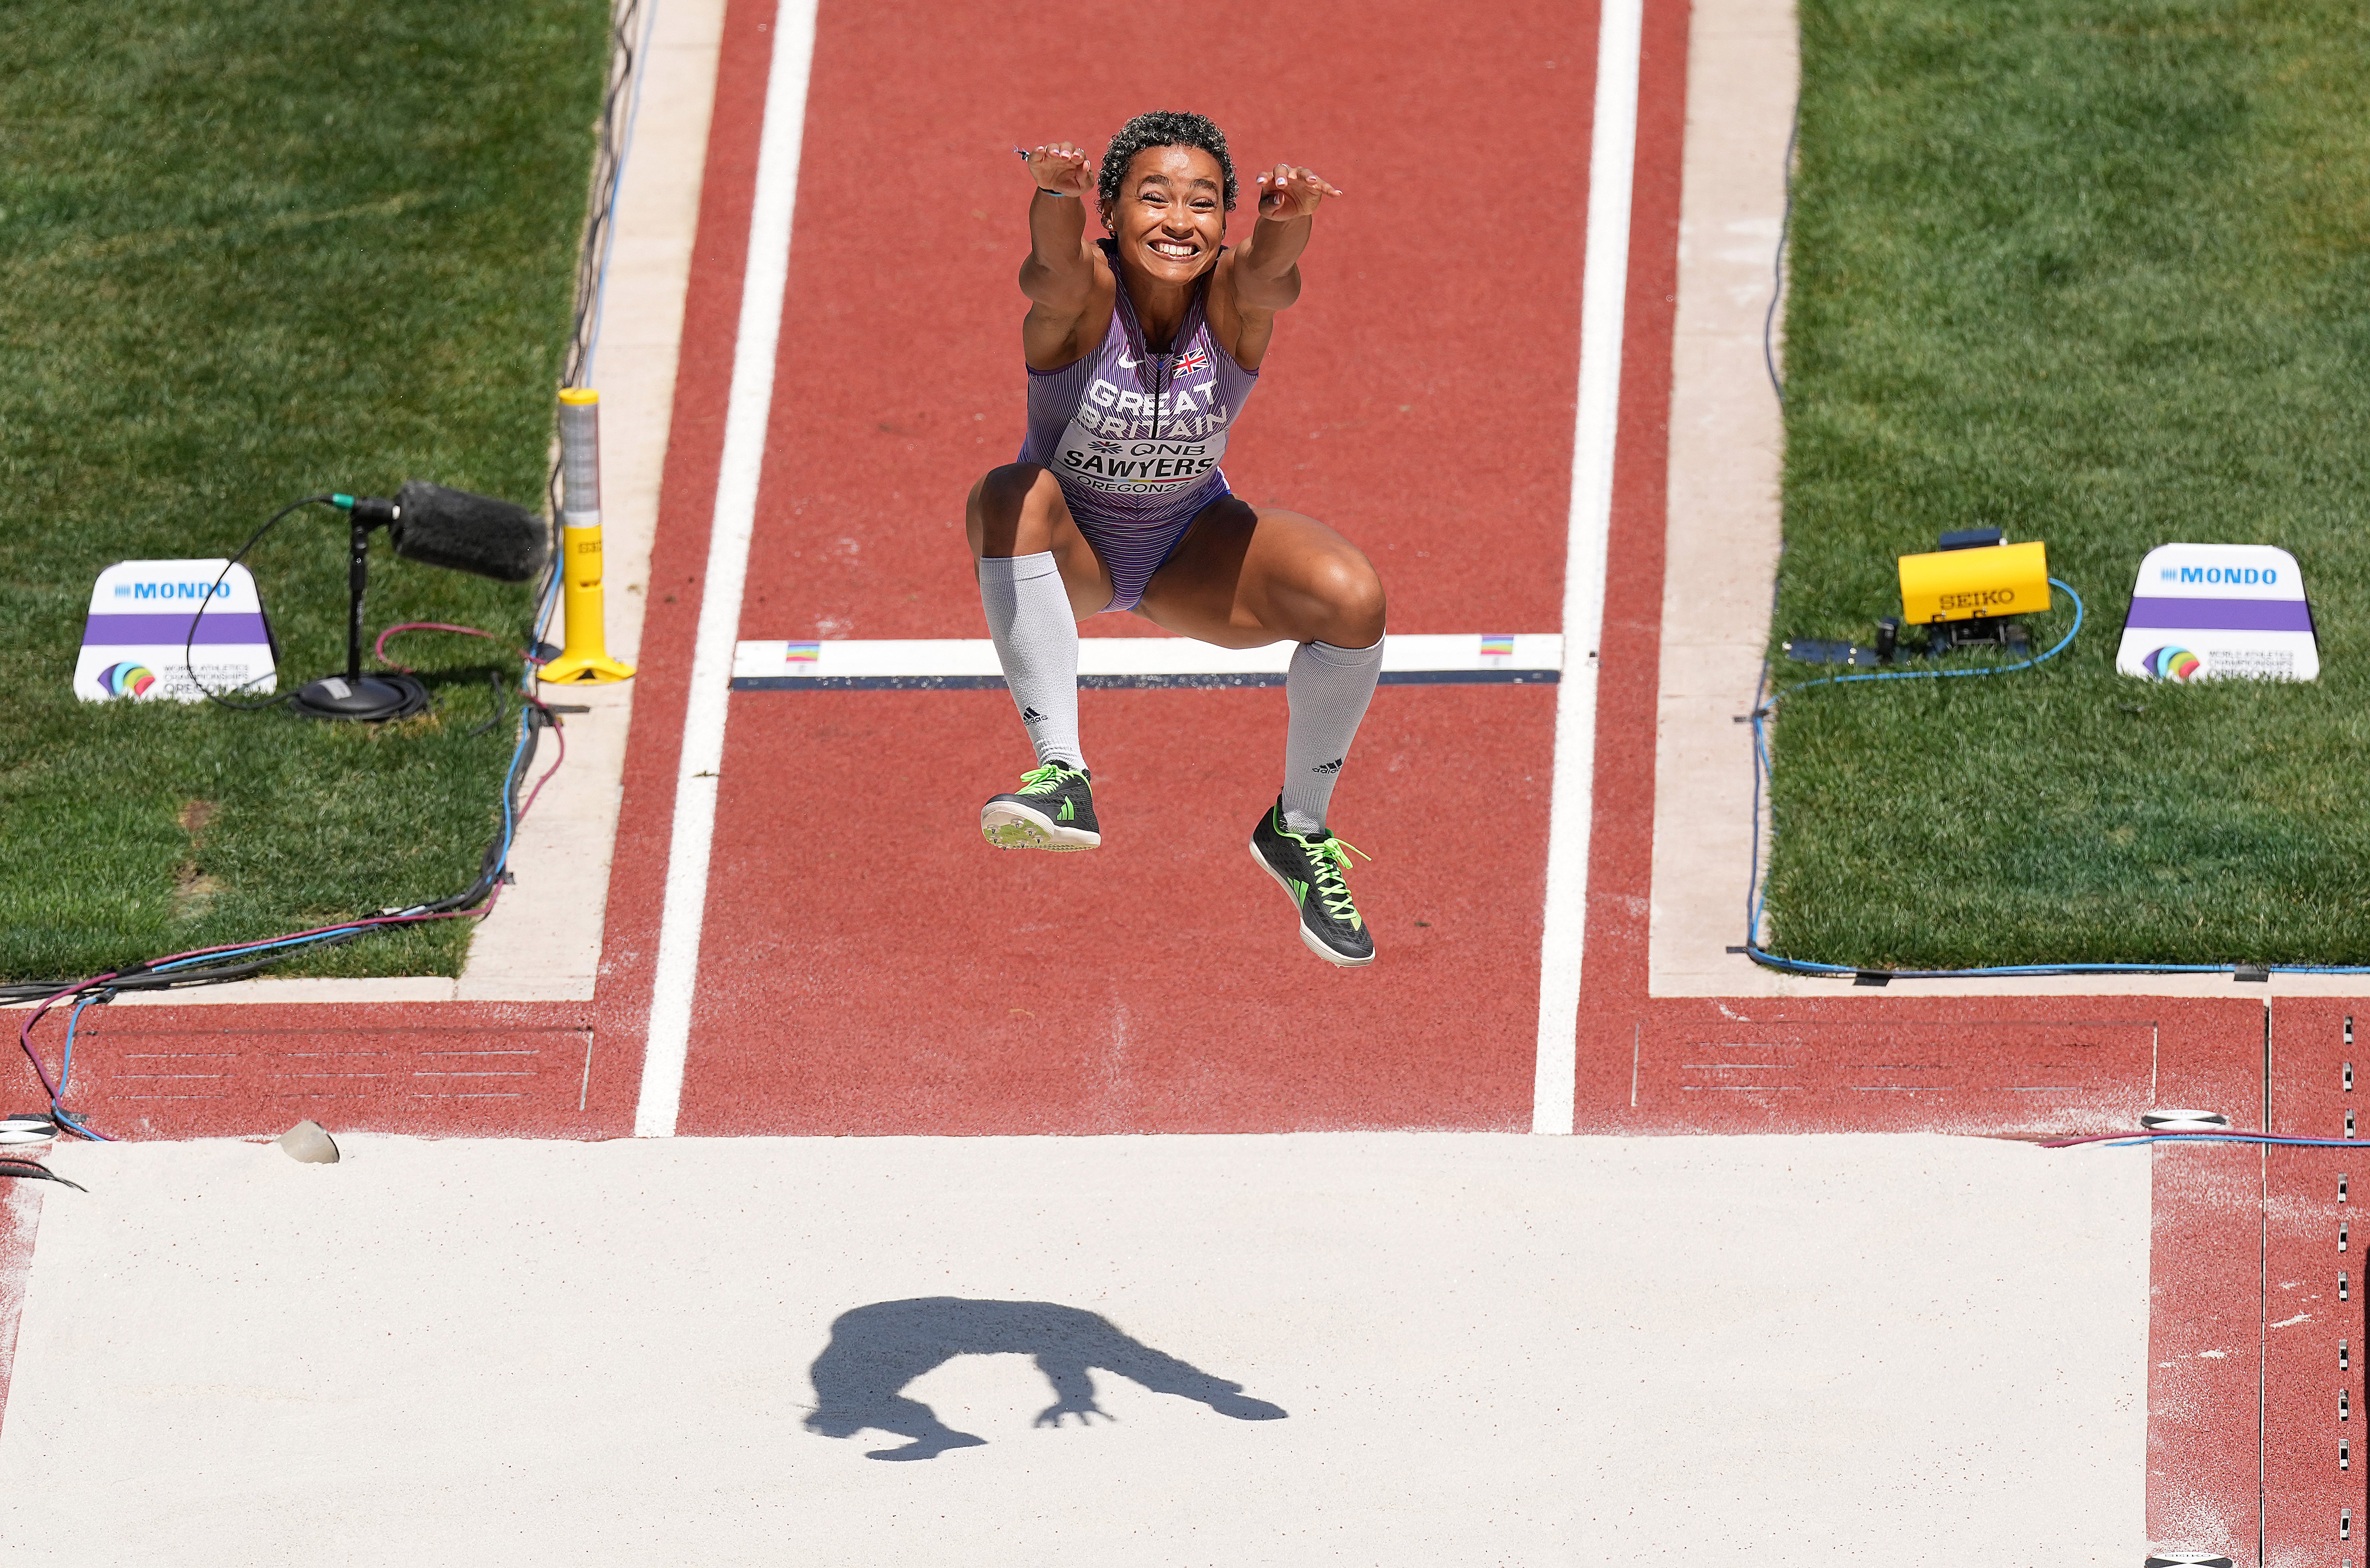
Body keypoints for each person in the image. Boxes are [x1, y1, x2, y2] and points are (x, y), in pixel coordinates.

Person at [966, 109, 1387, 967]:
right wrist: (1052, 193)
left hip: (1188, 547)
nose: (1177, 220)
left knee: (1352, 599)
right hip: (1069, 544)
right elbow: (1048, 268)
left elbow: (1273, 280)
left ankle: (1297, 830)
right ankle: (1063, 777)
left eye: (1202, 203)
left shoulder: (1232, 303)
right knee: (1007, 495)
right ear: (1111, 216)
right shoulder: (1083, 297)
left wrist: (1288, 220)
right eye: (1152, 198)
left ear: (1223, 224)